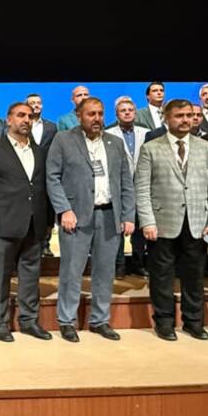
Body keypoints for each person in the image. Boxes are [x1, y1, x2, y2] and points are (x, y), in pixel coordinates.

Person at [135, 99, 208, 341]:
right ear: (166, 118)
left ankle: (193, 322)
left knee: (194, 276)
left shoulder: (206, 148)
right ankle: (164, 322)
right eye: (179, 116)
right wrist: (148, 222)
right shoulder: (151, 148)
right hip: (163, 223)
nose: (186, 120)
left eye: (189, 115)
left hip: (197, 223)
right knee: (162, 277)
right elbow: (142, 189)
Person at [48, 97, 135, 341]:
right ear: (78, 116)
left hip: (109, 215)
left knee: (105, 272)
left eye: (100, 113)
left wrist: (128, 214)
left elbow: (126, 181)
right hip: (75, 217)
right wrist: (64, 210)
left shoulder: (115, 142)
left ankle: (100, 320)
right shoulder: (63, 140)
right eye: (91, 114)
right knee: (71, 271)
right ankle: (66, 321)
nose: (96, 118)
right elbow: (52, 177)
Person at [0, 102, 53, 342]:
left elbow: (45, 188)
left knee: (31, 276)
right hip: (3, 223)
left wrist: (48, 221)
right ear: (8, 120)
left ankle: (29, 321)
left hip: (35, 223)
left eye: (30, 116)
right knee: (0, 277)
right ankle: (0, 322)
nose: (26, 120)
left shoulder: (40, 151)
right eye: (20, 115)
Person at [107, 96, 145, 275]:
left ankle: (139, 264)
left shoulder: (146, 133)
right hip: (118, 186)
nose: (127, 113)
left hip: (142, 186)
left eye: (130, 110)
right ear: (116, 114)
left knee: (139, 228)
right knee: (118, 227)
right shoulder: (108, 134)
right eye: (123, 110)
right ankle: (119, 265)